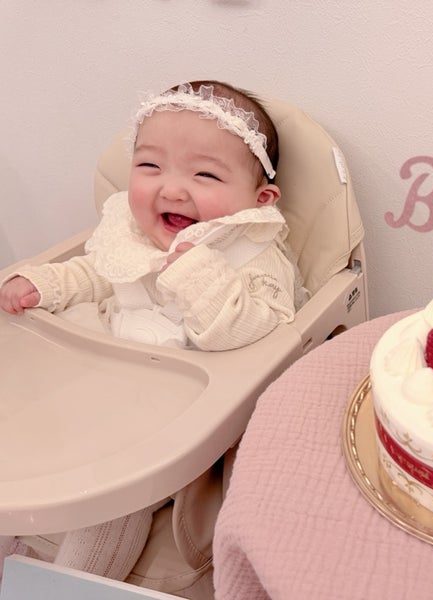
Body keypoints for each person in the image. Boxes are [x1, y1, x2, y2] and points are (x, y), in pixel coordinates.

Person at [0, 80, 309, 582]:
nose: (172, 189)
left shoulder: (252, 249)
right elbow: (98, 272)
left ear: (261, 198)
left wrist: (196, 272)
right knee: (23, 446)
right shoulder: (133, 230)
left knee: (110, 500)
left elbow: (248, 327)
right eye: (150, 166)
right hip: (101, 383)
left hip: (173, 417)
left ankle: (67, 586)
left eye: (205, 174)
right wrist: (46, 285)